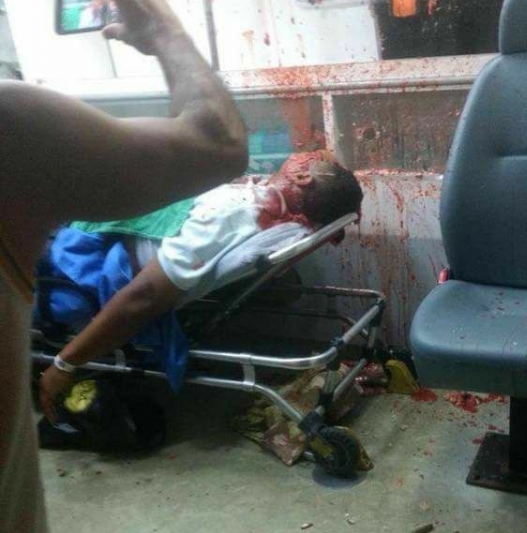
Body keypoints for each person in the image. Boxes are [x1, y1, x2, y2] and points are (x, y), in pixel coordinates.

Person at [0, 0, 248, 533]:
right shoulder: (12, 130)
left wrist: (68, 359)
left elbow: (146, 292)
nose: (289, 175)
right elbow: (219, 140)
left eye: (304, 178)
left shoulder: (240, 213)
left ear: (296, 206)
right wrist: (162, 29)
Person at [37, 150, 363, 420]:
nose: (302, 153)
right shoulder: (264, 203)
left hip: (83, 262)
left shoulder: (231, 215)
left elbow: (144, 297)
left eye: (311, 158)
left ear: (302, 177)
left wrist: (64, 364)